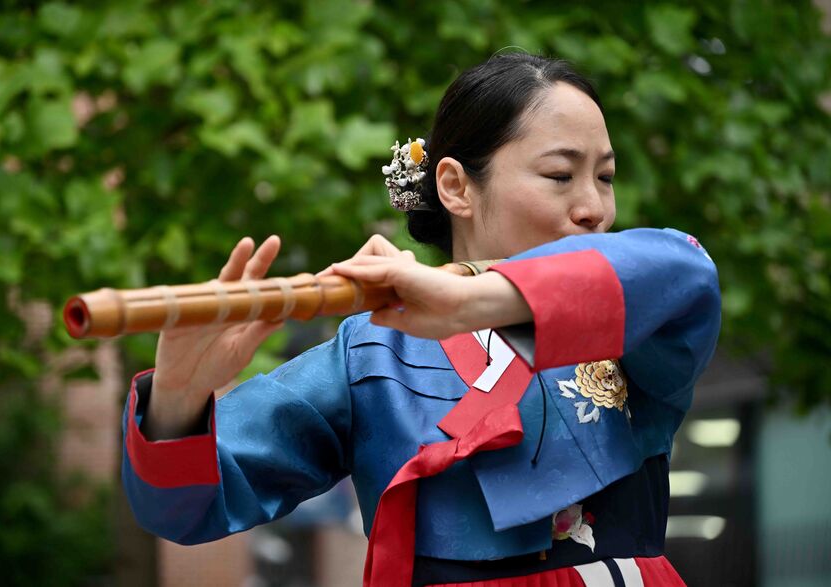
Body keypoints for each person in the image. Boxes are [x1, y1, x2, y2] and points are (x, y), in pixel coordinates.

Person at [122, 53, 721, 586]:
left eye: (606, 177)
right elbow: (184, 509)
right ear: (457, 186)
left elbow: (685, 270)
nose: (593, 207)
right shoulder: (370, 353)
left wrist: (474, 301)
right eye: (560, 176)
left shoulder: (629, 321)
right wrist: (179, 395)